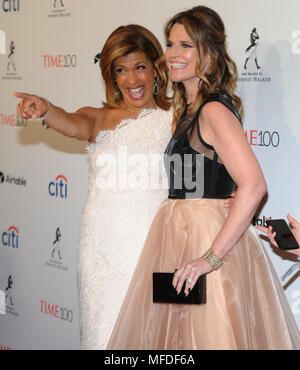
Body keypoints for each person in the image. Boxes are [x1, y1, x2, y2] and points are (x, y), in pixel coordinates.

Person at [107, 6, 300, 350]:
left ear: (209, 54)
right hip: (185, 236)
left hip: (206, 243)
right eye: (170, 44)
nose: (172, 55)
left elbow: (254, 185)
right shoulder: (190, 110)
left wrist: (208, 259)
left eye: (186, 45)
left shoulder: (212, 110)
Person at [14, 25, 173, 349]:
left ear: (156, 68)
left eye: (140, 67)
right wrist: (45, 108)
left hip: (153, 245)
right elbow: (69, 122)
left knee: (153, 340)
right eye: (121, 70)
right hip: (101, 249)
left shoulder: (174, 117)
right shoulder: (98, 117)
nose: (132, 80)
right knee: (104, 335)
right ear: (111, 75)